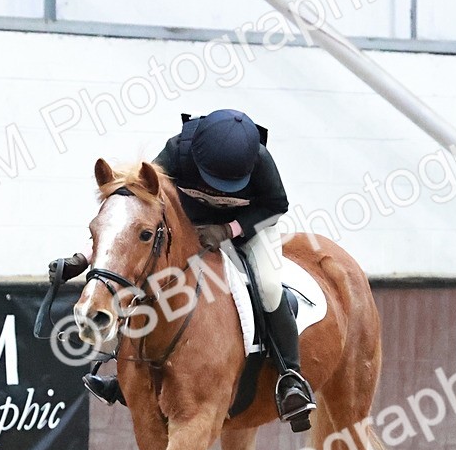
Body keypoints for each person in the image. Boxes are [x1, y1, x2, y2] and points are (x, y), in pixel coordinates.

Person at [49, 109, 316, 428]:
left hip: (249, 229)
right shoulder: (176, 152)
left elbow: (276, 205)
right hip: (192, 228)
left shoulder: (259, 160)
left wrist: (228, 229)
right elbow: (131, 214)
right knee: (149, 282)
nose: (219, 190)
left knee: (270, 288)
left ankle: (290, 377)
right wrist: (85, 256)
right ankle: (122, 373)